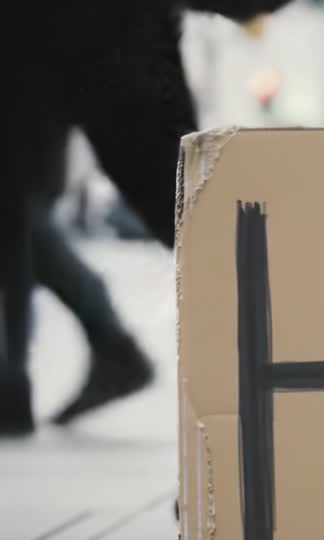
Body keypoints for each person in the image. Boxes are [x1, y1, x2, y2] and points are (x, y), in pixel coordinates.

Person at [1, 0, 297, 436]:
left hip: (97, 28)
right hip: (53, 34)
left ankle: (304, 359)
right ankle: (28, 377)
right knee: (16, 206)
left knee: (188, 214)